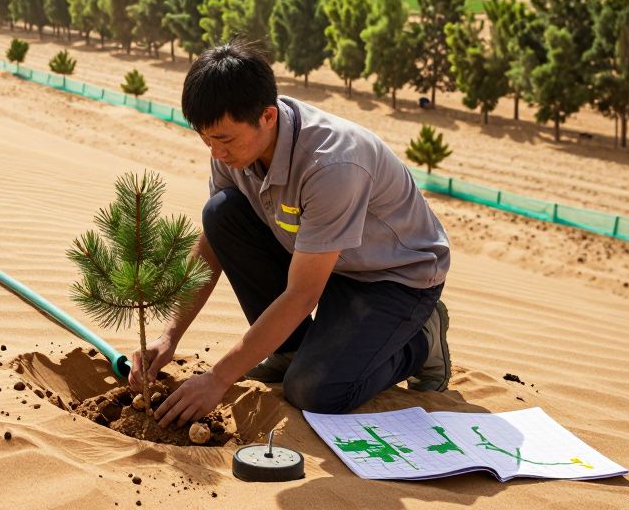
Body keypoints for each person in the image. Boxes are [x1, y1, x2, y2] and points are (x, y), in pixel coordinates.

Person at [134, 41, 452, 429]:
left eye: (225, 139)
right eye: (206, 138)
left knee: (313, 392)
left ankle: (421, 343)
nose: (215, 152)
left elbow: (303, 295)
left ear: (267, 116)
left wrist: (218, 378)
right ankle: (289, 349)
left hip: (392, 278)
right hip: (322, 262)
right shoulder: (236, 149)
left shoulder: (333, 165)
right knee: (221, 214)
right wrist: (169, 336)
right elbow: (213, 245)